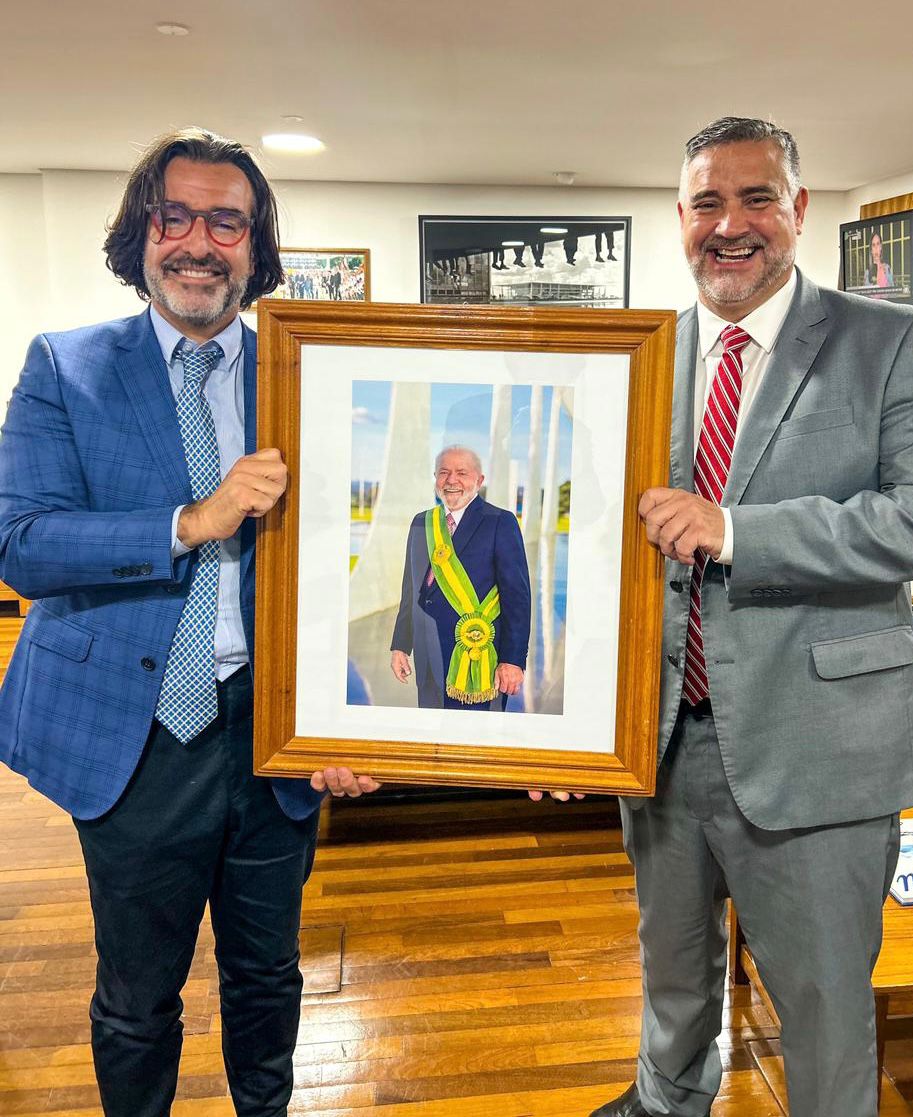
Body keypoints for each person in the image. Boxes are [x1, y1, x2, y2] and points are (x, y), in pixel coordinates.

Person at [0, 127, 380, 1117]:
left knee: (269, 976)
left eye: (228, 221)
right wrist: (189, 523)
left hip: (272, 731)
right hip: (133, 739)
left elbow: (352, 562)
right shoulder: (65, 366)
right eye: (176, 216)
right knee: (137, 997)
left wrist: (354, 716)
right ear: (143, 232)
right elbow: (22, 544)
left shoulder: (307, 377)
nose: (200, 243)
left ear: (256, 248)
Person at [587, 117, 913, 1117]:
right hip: (660, 738)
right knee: (671, 967)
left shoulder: (896, 342)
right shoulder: (639, 356)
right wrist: (558, 722)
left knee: (825, 1002)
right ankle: (670, 1099)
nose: (731, 224)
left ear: (798, 210)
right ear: (680, 219)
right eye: (708, 201)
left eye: (758, 198)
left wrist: (738, 529)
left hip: (820, 740)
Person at [390, 446, 531, 710]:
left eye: (461, 473)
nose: (451, 480)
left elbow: (517, 598)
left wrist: (513, 660)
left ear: (479, 480)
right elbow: (410, 590)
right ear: (435, 478)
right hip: (427, 654)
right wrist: (400, 646)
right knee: (433, 739)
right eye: (444, 472)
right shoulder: (421, 523)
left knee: (478, 741)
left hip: (479, 656)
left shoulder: (501, 522)